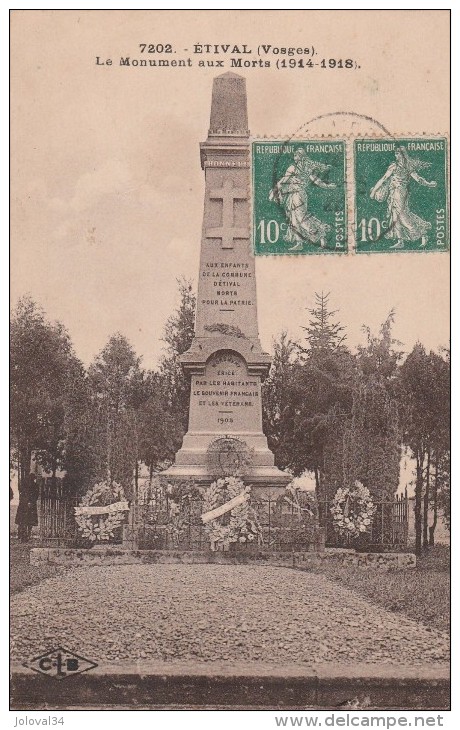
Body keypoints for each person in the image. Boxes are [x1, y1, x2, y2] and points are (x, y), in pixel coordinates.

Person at [269, 147, 337, 251]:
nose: (294, 157)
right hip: (295, 195)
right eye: (294, 155)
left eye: (296, 155)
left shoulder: (293, 168)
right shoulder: (305, 169)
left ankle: (321, 236)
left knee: (301, 218)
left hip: (297, 195)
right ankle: (299, 243)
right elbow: (317, 181)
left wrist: (274, 191)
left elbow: (283, 181)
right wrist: (328, 186)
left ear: (300, 157)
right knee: (294, 220)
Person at [370, 146, 437, 249]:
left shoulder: (408, 167)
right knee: (395, 215)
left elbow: (418, 179)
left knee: (403, 215)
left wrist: (429, 184)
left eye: (398, 153)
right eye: (395, 154)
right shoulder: (393, 166)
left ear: (403, 154)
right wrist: (374, 190)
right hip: (393, 193)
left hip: (401, 193)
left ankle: (422, 234)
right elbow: (383, 178)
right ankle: (400, 241)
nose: (396, 155)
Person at [15, 473, 39, 542]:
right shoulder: (29, 485)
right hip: (26, 505)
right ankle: (23, 535)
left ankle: (26, 535)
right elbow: (24, 494)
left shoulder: (33, 485)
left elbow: (35, 495)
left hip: (28, 505)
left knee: (27, 521)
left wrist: (30, 502)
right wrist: (29, 502)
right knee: (25, 521)